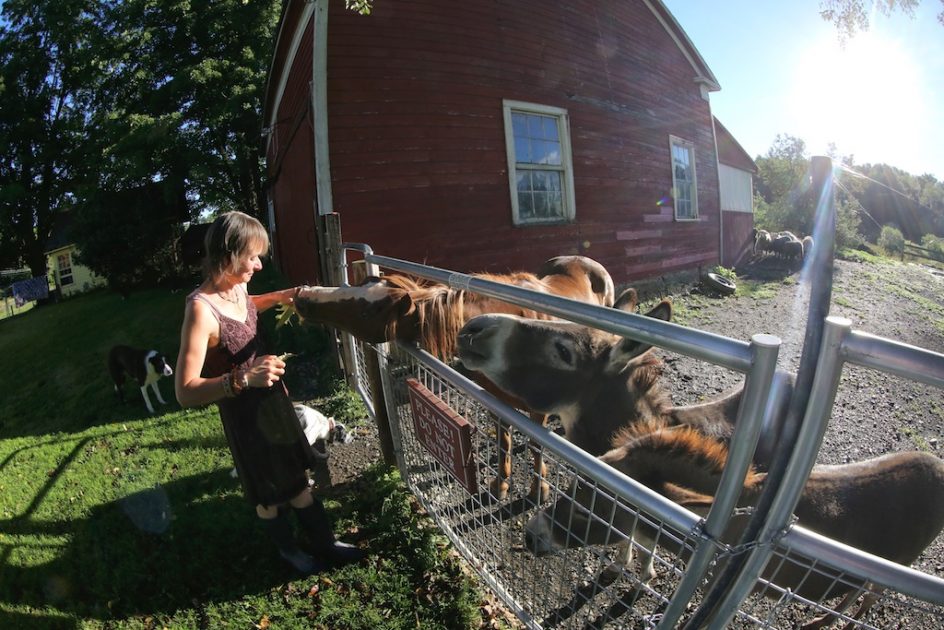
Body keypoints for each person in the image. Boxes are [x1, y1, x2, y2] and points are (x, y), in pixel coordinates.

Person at [175, 211, 363, 574]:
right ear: (228, 255)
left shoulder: (237, 286)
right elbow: (185, 392)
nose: (259, 265)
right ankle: (288, 552)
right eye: (252, 257)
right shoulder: (200, 310)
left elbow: (244, 306)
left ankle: (325, 544)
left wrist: (279, 297)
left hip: (274, 405)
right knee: (269, 497)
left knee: (298, 483)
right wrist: (243, 379)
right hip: (246, 420)